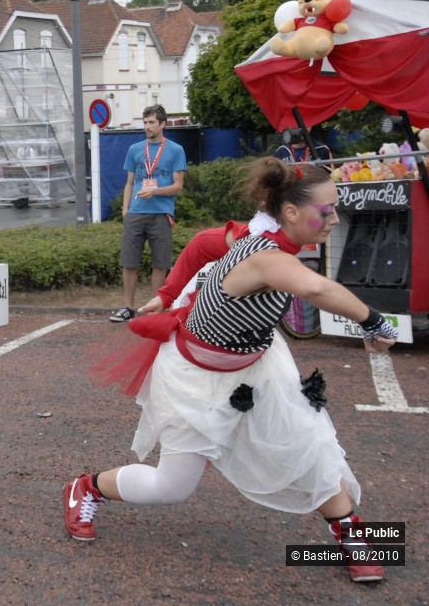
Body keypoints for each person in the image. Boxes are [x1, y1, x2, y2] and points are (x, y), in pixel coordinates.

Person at [63, 158, 399, 584]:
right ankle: (86, 487)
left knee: (311, 444)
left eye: (335, 208)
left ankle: (353, 537)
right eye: (326, 210)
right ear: (290, 213)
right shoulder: (264, 254)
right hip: (195, 375)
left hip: (258, 362)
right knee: (172, 488)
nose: (334, 218)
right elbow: (313, 287)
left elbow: (207, 244)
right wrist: (373, 320)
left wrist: (167, 292)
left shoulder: (264, 237)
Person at [110, 105, 186, 323]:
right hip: (136, 213)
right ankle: (127, 307)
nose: (147, 127)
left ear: (162, 124)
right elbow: (130, 183)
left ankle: (156, 307)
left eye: (152, 122)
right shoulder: (135, 149)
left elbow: (178, 186)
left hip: (161, 213)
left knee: (160, 263)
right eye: (145, 123)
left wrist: (155, 191)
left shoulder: (175, 150)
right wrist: (125, 210)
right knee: (129, 262)